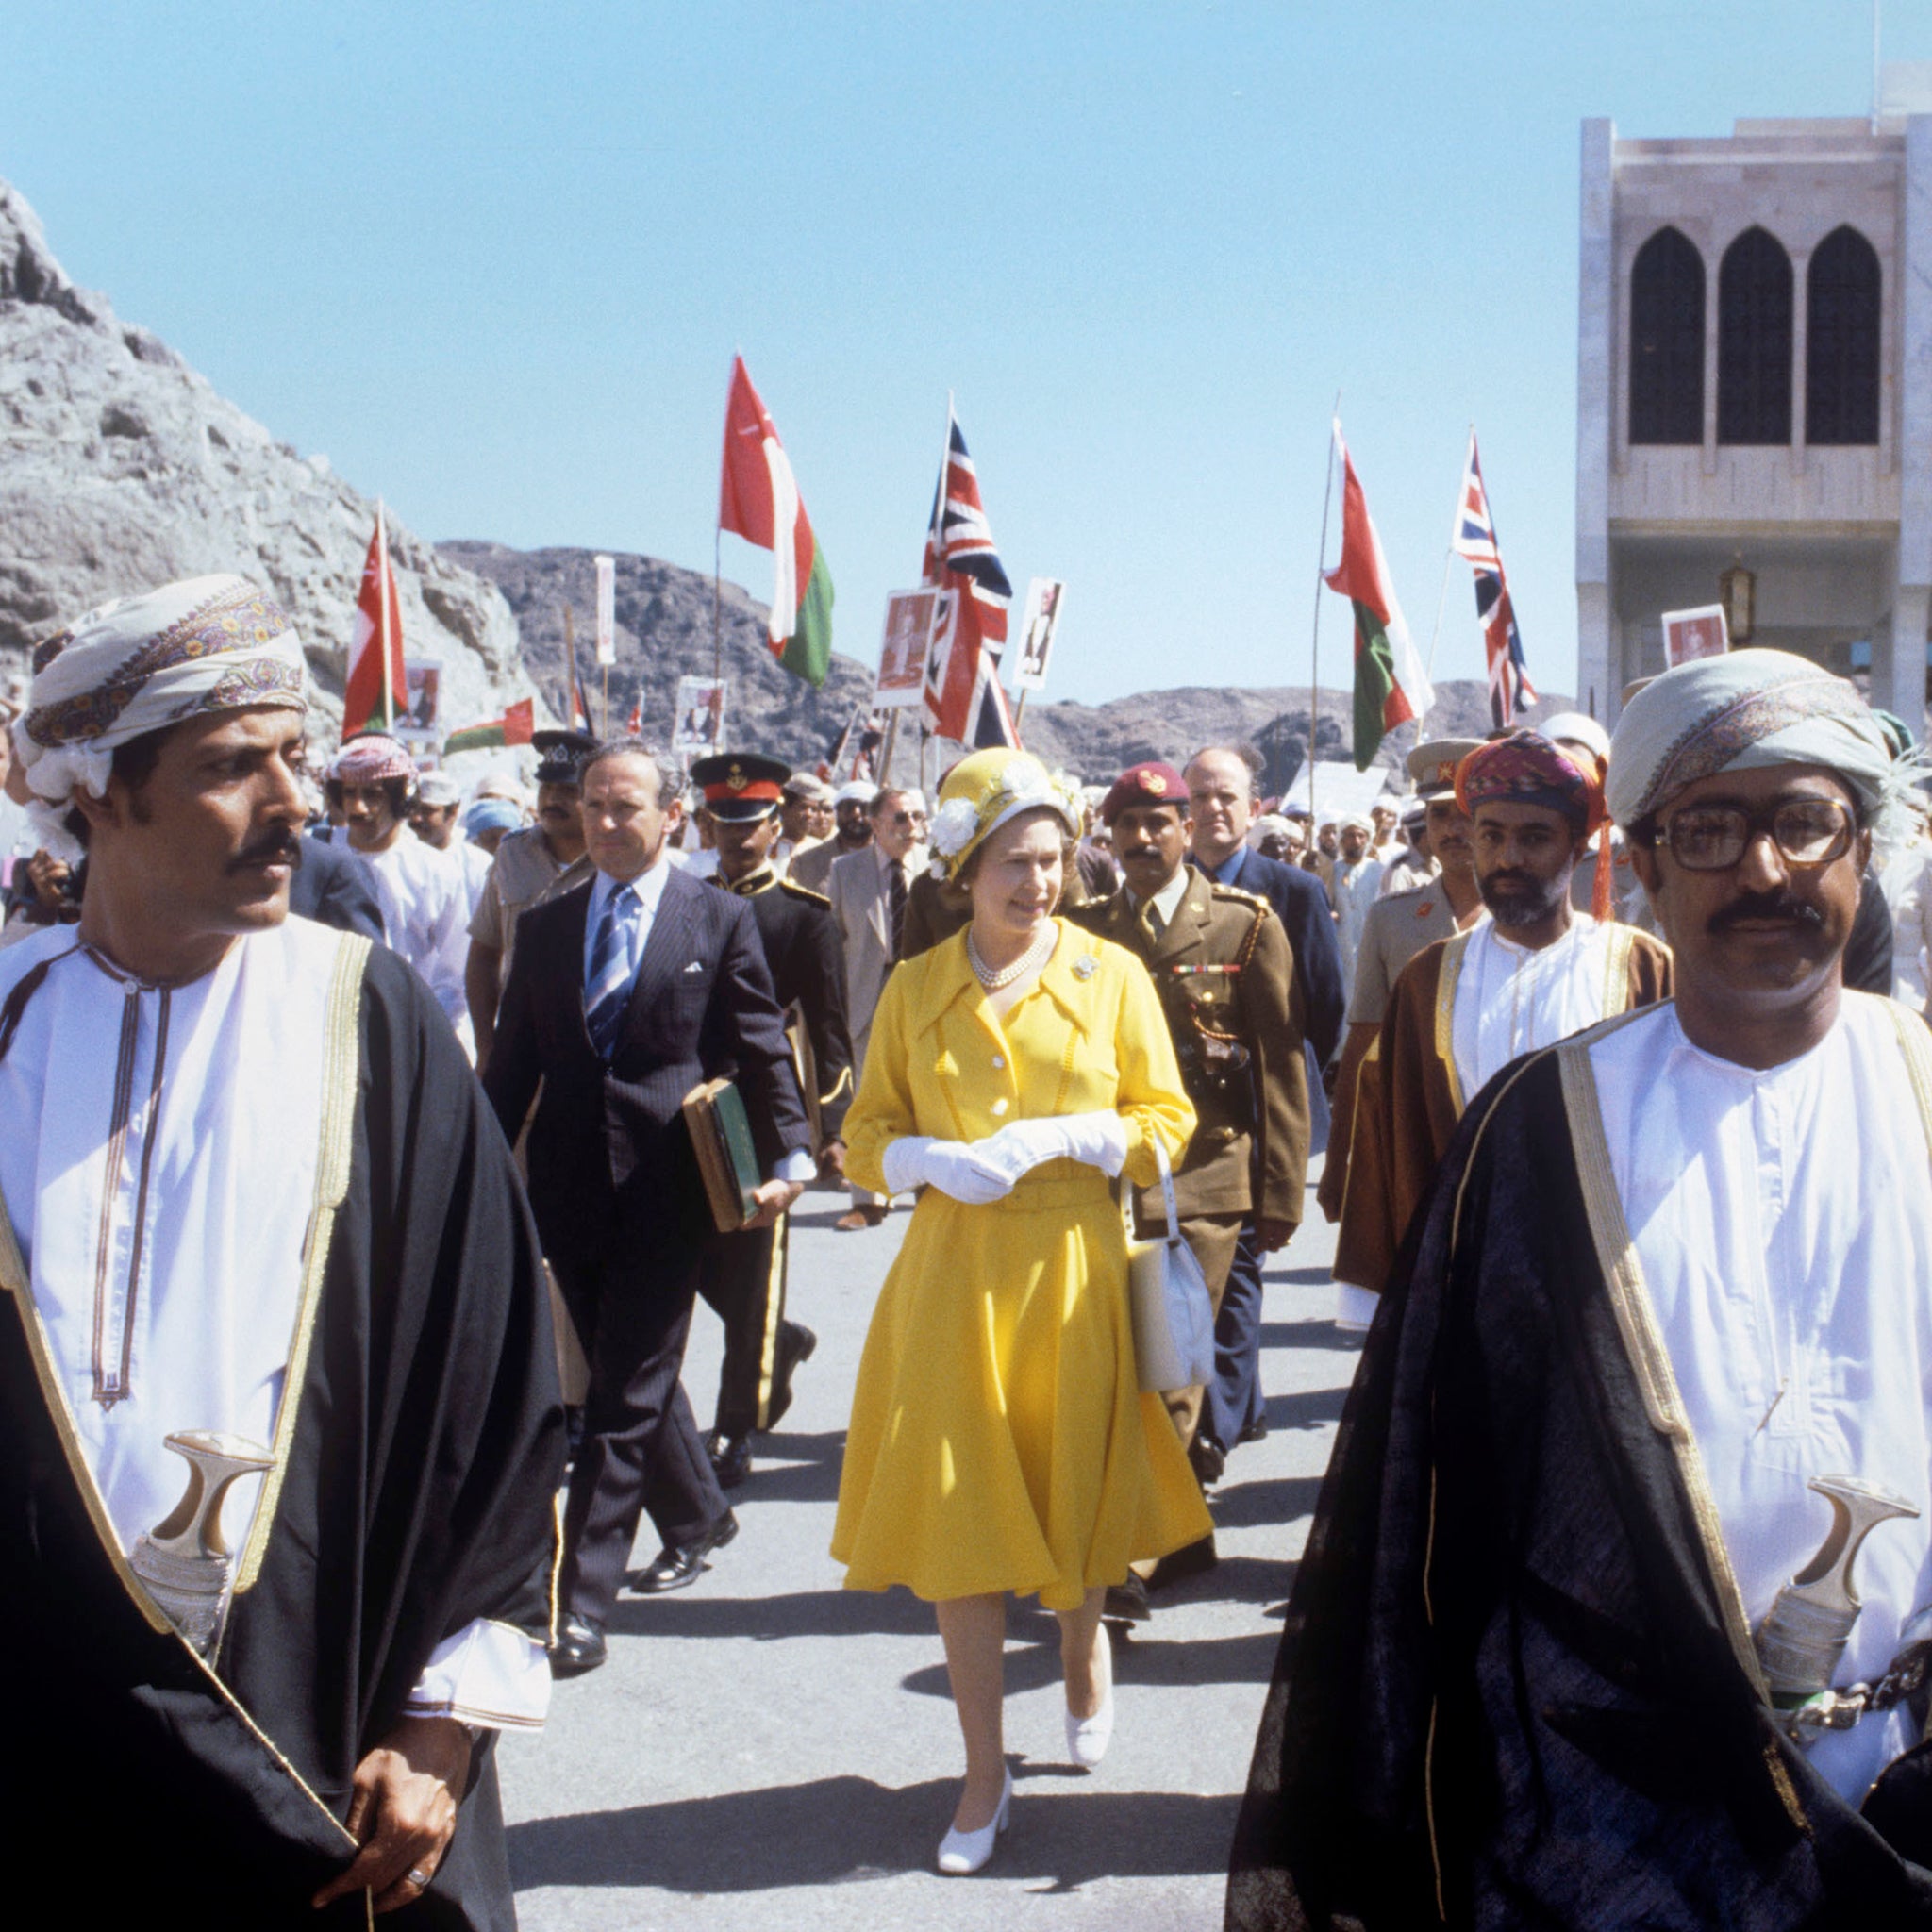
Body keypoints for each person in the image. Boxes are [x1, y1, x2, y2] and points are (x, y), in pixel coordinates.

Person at [1230, 647, 1932, 1930]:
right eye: (1711, 827)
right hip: (1595, 1808)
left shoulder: (1930, 1099)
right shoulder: (1544, 1125)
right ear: (1648, 860)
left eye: (1803, 821)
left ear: (1863, 848)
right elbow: (1429, 1501)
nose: (1761, 869)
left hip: (1907, 1788)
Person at [0, 574, 560, 1925]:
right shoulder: (11, 1017)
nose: (294, 807)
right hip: (47, 1720)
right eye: (232, 768)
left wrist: (448, 1718)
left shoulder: (361, 1017)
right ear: (98, 793)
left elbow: (490, 1377)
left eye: (296, 759)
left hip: (321, 1710)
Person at [830, 748, 1210, 1874]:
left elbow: (1165, 1114)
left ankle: (1084, 1639)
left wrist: (1071, 1135)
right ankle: (984, 1769)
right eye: (1012, 861)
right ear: (962, 868)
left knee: (1070, 1485)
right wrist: (924, 1155)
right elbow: (860, 1138)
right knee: (962, 1523)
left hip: (1073, 1268)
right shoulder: (914, 985)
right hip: (952, 1274)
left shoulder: (1109, 973)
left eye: (1051, 859)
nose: (1037, 882)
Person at [484, 741, 813, 1677]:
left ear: (673, 814)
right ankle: (700, 1511)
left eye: (625, 807)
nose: (604, 824)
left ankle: (578, 1601)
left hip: (674, 1188)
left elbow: (759, 1047)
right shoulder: (547, 926)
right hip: (567, 1187)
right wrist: (466, 1161)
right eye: (592, 806)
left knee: (619, 1397)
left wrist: (786, 1152)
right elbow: (511, 1065)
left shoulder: (716, 918)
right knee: (632, 1368)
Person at [1332, 731, 1674, 1329]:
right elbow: (1393, 1134)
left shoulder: (1641, 967)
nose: (1508, 857)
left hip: (1602, 1290)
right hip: (1462, 1286)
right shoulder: (1430, 976)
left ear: (1577, 846)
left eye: (1534, 837)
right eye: (1491, 835)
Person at [1074, 761, 1310, 1592]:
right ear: (1108, 837)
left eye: (1159, 823)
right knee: (1117, 1360)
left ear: (1187, 829)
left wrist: (1281, 1193)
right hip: (1108, 1174)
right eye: (1127, 826)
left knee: (1172, 1362)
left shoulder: (1243, 925)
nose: (1143, 840)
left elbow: (1280, 1063)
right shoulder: (1086, 929)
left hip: (1206, 1175)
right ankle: (1179, 1530)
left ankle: (1128, 1561)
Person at [688, 751, 854, 1489]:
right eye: (724, 822)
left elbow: (830, 1031)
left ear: (776, 824)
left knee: (754, 1270)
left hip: (763, 1103)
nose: (737, 836)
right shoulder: (682, 902)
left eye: (750, 822)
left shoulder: (802, 916)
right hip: (688, 1102)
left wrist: (832, 1127)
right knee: (687, 1257)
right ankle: (777, 1343)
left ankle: (733, 1429)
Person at [1180, 746, 1344, 1474]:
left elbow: (1326, 1005)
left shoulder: (1295, 891)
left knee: (1242, 1266)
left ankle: (1212, 1428)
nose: (1214, 810)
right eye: (1201, 797)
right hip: (1184, 1121)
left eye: (1228, 797)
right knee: (1191, 1275)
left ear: (1255, 807)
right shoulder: (1165, 891)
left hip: (1261, 1109)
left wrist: (1293, 1103)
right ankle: (1233, 1408)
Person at [1318, 738, 1487, 1225]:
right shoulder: (1391, 920)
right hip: (1414, 1138)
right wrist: (1337, 1160)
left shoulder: (1527, 918)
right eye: (1438, 818)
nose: (1453, 830)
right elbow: (1362, 1044)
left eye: (1465, 814)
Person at [325, 733, 472, 1042]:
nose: (358, 808)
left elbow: (454, 973)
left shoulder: (436, 871)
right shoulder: (318, 856)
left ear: (400, 798)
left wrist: (423, 1035)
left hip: (409, 1030)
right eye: (349, 793)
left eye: (373, 795)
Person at [828, 786, 928, 1231]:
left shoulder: (937, 868)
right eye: (901, 818)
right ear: (874, 824)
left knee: (930, 1090)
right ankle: (868, 1198)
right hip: (869, 992)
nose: (912, 827)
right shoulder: (845, 871)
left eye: (918, 817)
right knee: (870, 1097)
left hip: (926, 992)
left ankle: (931, 1186)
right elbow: (833, 940)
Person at [465, 728, 594, 1070]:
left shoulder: (613, 864)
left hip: (589, 1046)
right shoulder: (512, 853)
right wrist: (486, 1045)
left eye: (568, 791)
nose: (552, 800)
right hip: (518, 1043)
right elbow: (483, 955)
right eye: (546, 787)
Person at [410, 769, 492, 912]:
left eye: (427, 810)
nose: (416, 818)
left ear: (453, 811)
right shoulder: (400, 859)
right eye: (412, 809)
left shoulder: (478, 865)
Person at [785, 779, 874, 894]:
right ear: (838, 812)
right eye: (849, 807)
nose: (856, 813)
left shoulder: (891, 860)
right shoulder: (805, 864)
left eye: (864, 807)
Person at [1329, 815, 1383, 991]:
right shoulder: (1332, 870)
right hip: (1341, 942)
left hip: (1371, 940)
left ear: (1368, 839)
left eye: (1361, 836)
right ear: (1342, 840)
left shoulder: (1378, 870)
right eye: (1351, 836)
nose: (1356, 841)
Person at [773, 770, 832, 875]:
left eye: (813, 809)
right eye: (803, 807)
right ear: (784, 809)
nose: (809, 814)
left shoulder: (822, 851)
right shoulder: (767, 849)